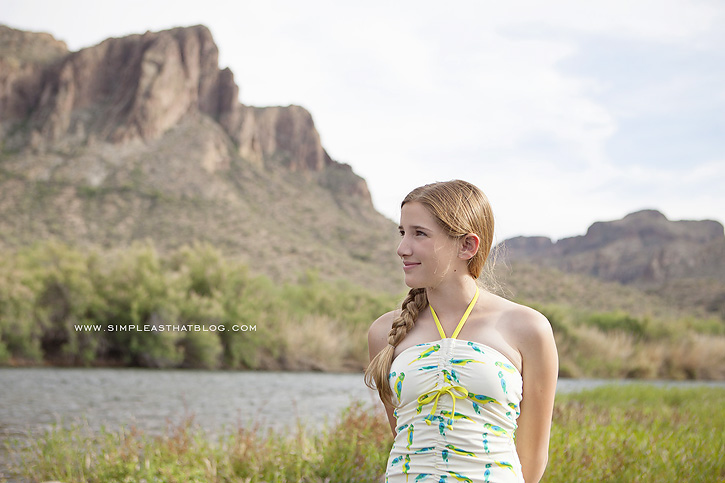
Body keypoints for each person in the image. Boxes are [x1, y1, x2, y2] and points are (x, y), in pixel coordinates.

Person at [365, 180, 558, 483]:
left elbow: (533, 456)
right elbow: (402, 436)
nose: (402, 248)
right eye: (403, 232)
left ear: (467, 245)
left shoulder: (528, 328)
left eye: (420, 233)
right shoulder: (384, 332)